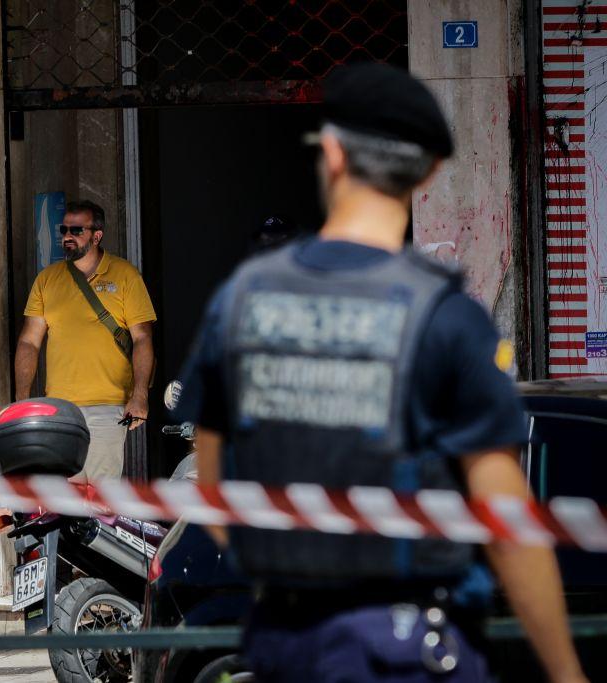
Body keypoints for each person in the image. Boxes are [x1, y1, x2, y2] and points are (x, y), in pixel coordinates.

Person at [175, 63, 587, 682]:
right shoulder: (447, 319)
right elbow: (509, 528)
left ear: (333, 153)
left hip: (282, 646)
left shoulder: (240, 304)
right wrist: (566, 673)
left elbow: (215, 491)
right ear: (429, 171)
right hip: (408, 652)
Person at [14, 199, 156, 481]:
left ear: (97, 235)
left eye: (76, 230)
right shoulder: (47, 280)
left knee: (101, 501)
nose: (67, 236)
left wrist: (140, 395)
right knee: (65, 500)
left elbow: (142, 338)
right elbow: (29, 342)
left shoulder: (125, 275)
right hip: (60, 409)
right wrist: (22, 400)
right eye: (64, 229)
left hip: (110, 405)